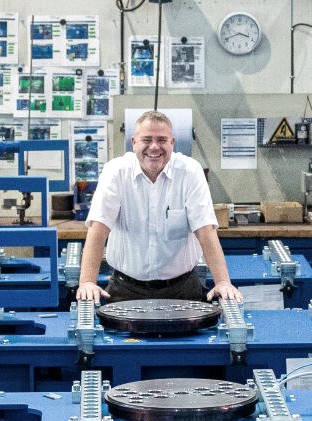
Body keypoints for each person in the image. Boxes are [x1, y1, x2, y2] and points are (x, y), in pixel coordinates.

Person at [75, 111, 241, 305]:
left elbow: (206, 230)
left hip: (182, 289)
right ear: (134, 142)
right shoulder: (116, 171)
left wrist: (223, 282)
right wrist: (87, 282)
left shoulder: (190, 171)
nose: (154, 147)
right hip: (125, 288)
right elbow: (98, 229)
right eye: (147, 139)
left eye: (162, 140)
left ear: (172, 142)